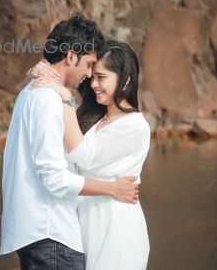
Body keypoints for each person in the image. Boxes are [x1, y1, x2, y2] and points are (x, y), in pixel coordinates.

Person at [0, 14, 140, 270]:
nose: (89, 74)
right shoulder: (49, 99)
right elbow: (54, 177)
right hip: (52, 234)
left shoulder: (29, 92)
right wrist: (112, 188)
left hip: (38, 233)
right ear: (71, 56)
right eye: (88, 64)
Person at [28, 38, 151, 270]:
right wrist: (45, 73)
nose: (94, 84)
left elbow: (82, 154)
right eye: (92, 76)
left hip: (117, 230)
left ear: (126, 80)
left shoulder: (134, 126)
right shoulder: (96, 119)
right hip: (88, 226)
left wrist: (63, 94)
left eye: (101, 77)